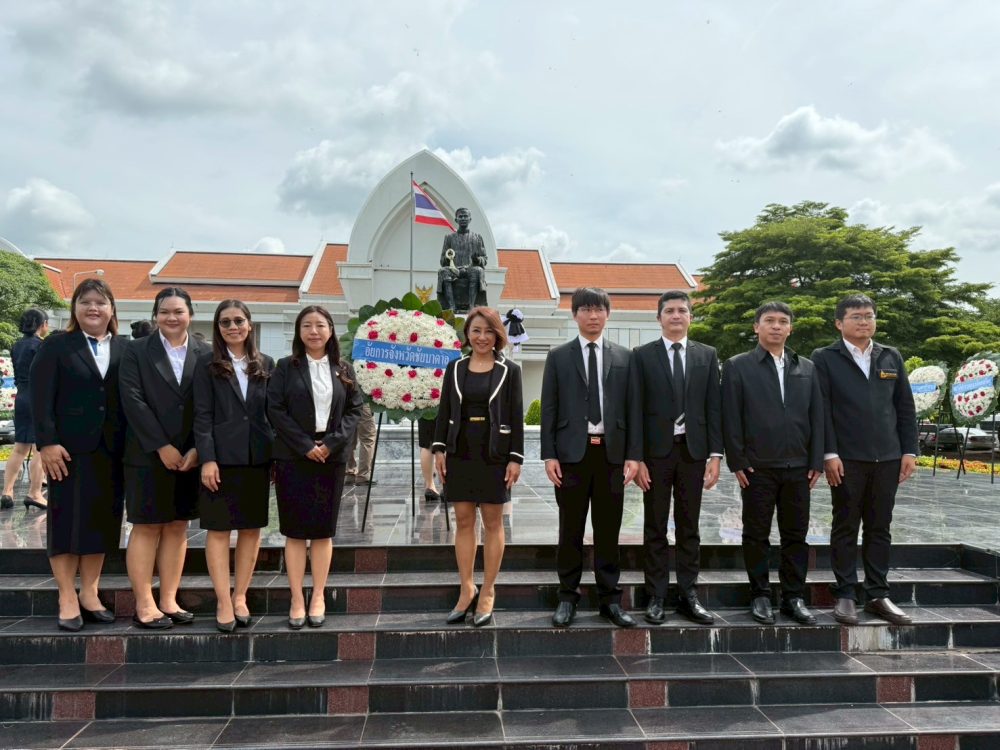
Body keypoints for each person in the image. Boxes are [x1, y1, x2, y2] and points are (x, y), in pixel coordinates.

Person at [811, 294, 918, 626]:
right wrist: (829, 453)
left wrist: (909, 450)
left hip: (888, 457)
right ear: (839, 323)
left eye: (869, 316)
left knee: (879, 526)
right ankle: (845, 593)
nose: (864, 322)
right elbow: (821, 410)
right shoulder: (824, 358)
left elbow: (904, 406)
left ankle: (877, 594)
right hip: (846, 459)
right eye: (856, 316)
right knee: (846, 524)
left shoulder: (890, 355)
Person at [541, 287, 640, 628]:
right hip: (572, 455)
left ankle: (610, 600)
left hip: (611, 456)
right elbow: (549, 408)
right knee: (570, 528)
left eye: (599, 309)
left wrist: (634, 455)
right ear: (575, 315)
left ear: (608, 314)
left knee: (608, 530)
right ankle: (567, 597)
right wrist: (549, 455)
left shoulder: (625, 357)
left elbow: (633, 409)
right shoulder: (558, 357)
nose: (593, 315)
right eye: (585, 309)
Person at [31, 280, 126, 631]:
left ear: (111, 308)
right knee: (66, 521)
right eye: (85, 302)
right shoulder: (57, 345)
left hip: (112, 450)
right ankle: (66, 596)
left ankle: (89, 592)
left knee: (101, 521)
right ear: (74, 308)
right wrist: (47, 443)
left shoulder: (126, 348)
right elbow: (41, 397)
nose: (93, 308)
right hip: (67, 451)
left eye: (100, 302)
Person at [722, 301, 824, 625]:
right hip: (758, 467)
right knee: (756, 534)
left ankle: (794, 598)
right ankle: (761, 595)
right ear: (757, 327)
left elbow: (817, 416)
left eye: (782, 321)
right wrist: (737, 460)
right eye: (769, 320)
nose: (776, 326)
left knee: (796, 535)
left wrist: (816, 459)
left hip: (799, 467)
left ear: (790, 328)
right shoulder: (738, 366)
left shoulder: (806, 368)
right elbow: (730, 417)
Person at [628, 290, 723, 626]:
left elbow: (713, 407)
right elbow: (635, 408)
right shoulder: (642, 356)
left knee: (689, 526)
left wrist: (715, 454)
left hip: (693, 452)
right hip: (656, 455)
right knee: (655, 526)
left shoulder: (707, 355)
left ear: (690, 317)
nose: (676, 316)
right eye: (669, 311)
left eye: (682, 310)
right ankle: (655, 596)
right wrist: (637, 457)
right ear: (659, 318)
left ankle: (688, 595)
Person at [267, 305, 362, 629]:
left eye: (320, 325)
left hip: (330, 458)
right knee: (295, 532)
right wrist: (305, 445)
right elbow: (275, 409)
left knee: (322, 532)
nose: (313, 331)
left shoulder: (344, 369)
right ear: (299, 331)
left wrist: (331, 444)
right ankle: (296, 598)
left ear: (330, 330)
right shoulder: (285, 367)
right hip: (294, 457)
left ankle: (318, 595)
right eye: (306, 325)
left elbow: (354, 410)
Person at [120, 287, 209, 629]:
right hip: (147, 453)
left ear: (190, 314)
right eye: (165, 311)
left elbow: (210, 404)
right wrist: (161, 445)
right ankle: (144, 603)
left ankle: (169, 599)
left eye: (178, 311)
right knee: (146, 526)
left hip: (190, 456)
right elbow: (132, 399)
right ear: (155, 315)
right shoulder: (136, 350)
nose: (172, 317)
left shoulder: (205, 352)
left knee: (177, 526)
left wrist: (198, 448)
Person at [433, 307, 524, 627]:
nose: (482, 337)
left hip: (495, 452)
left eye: (488, 331)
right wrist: (439, 448)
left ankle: (488, 589)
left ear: (497, 334)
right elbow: (444, 410)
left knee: (493, 521)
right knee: (463, 520)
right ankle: (466, 587)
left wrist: (516, 457)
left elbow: (516, 415)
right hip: (460, 451)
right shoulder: (455, 367)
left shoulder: (510, 370)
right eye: (476, 331)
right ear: (467, 334)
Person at [193, 300, 274, 632]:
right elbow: (201, 415)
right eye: (225, 322)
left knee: (251, 529)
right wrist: (207, 458)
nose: (233, 327)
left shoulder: (265, 363)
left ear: (249, 324)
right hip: (220, 459)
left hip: (257, 457)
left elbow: (272, 412)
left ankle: (240, 595)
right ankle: (223, 600)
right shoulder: (206, 364)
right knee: (219, 530)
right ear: (218, 328)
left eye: (238, 320)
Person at [2, 308, 49, 511]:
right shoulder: (42, 346)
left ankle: (7, 491)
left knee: (20, 447)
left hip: (21, 396)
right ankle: (35, 492)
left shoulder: (16, 345)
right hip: (38, 398)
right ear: (42, 324)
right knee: (41, 447)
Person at [437, 207, 487, 312]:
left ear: (470, 219)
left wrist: (477, 260)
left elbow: (484, 259)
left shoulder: (477, 237)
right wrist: (448, 258)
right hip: (454, 270)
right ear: (456, 219)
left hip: (470, 269)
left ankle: (471, 306)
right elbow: (442, 261)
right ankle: (451, 306)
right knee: (443, 271)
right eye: (460, 216)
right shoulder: (449, 238)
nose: (463, 218)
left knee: (478, 270)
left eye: (465, 216)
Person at [346, 403, 377, 486]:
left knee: (349, 437)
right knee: (368, 438)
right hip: (362, 402)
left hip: (347, 403)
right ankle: (363, 475)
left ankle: (349, 472)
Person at [417, 417, 441, 502]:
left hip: (424, 410)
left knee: (427, 445)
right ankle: (446, 487)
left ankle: (430, 486)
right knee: (446, 442)